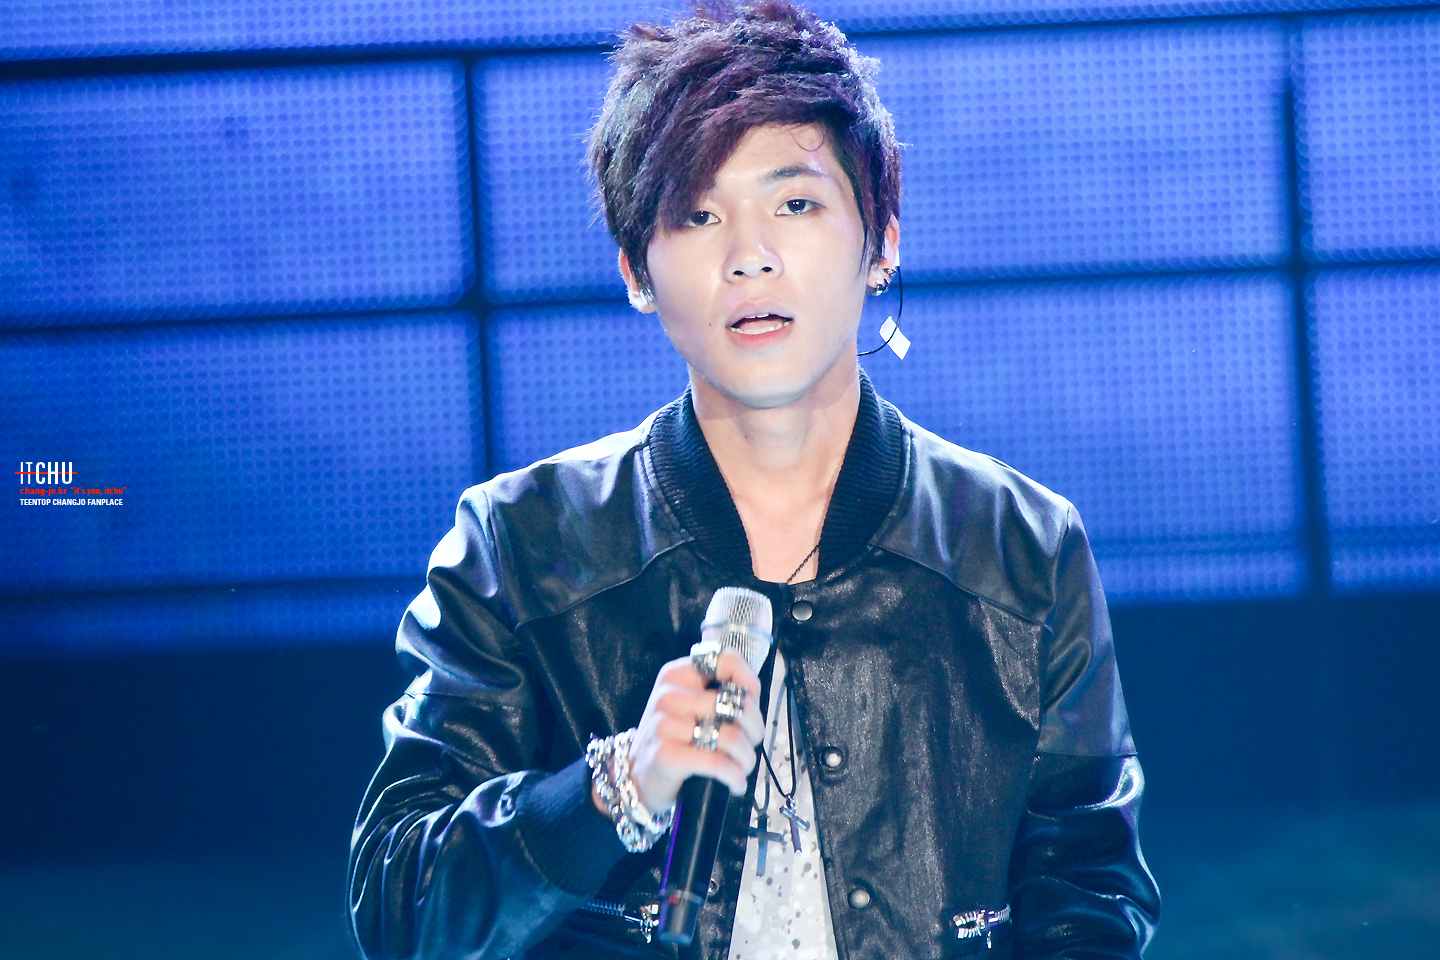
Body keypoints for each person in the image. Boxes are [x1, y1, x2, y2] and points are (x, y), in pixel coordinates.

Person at [348, 2, 1161, 958]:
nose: (750, 257)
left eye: (795, 204)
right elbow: (400, 906)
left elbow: (1087, 894)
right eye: (698, 215)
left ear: (881, 240)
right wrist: (616, 787)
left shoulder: (1020, 546)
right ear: (636, 271)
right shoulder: (519, 548)